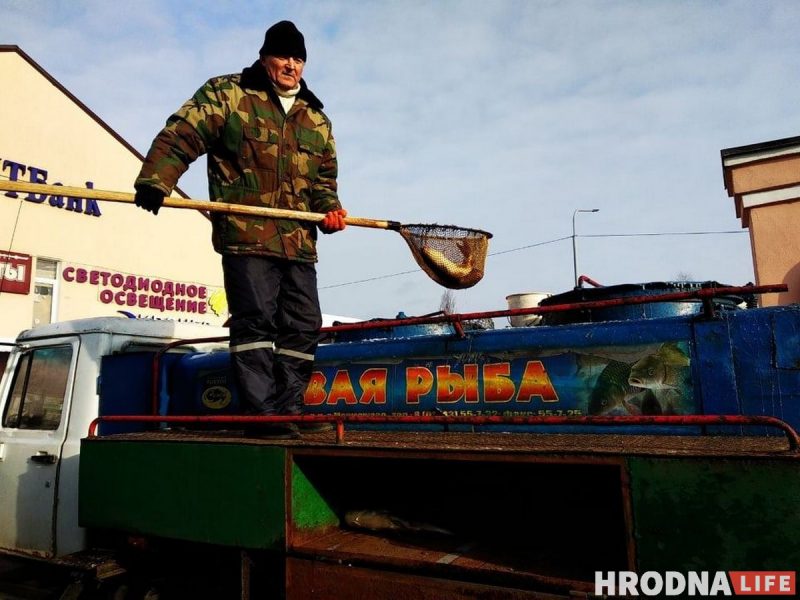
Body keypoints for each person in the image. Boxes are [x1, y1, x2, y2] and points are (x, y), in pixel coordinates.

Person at [133, 20, 346, 439]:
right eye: (284, 55)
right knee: (255, 324)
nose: (292, 65)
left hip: (299, 242)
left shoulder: (316, 118)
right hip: (248, 236)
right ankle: (260, 414)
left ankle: (289, 409)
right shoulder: (228, 94)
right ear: (266, 56)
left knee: (303, 325)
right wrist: (156, 180)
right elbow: (183, 135)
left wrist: (330, 210)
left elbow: (323, 181)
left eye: (299, 58)